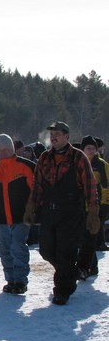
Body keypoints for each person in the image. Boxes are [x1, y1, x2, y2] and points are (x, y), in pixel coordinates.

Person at [24, 121, 100, 305]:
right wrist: (31, 206)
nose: (54, 136)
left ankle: (62, 291)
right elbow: (37, 185)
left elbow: (90, 186)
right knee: (46, 250)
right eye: (52, 133)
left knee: (66, 252)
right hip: (49, 212)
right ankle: (71, 273)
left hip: (72, 213)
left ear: (67, 136)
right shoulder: (44, 158)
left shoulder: (78, 157)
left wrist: (93, 212)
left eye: (58, 133)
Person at [0, 134, 35, 294]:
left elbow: (37, 190)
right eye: (0, 150)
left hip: (21, 217)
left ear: (12, 149)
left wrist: (34, 209)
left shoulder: (26, 166)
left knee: (18, 248)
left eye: (7, 149)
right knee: (4, 251)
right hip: (2, 219)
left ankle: (20, 281)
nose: (3, 152)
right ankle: (10, 280)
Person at [76, 135, 109, 278]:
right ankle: (91, 267)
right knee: (85, 239)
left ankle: (86, 267)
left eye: (93, 148)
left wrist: (105, 205)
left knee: (88, 238)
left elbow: (107, 186)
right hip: (81, 207)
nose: (91, 151)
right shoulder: (78, 163)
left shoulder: (102, 165)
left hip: (98, 207)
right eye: (88, 148)